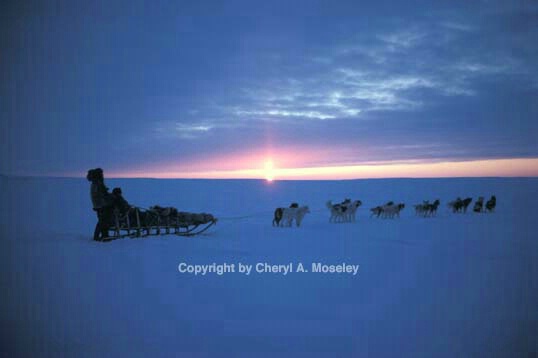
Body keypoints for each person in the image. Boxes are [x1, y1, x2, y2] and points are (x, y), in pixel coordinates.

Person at [86, 168, 113, 241]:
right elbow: (102, 194)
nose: (103, 175)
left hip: (98, 205)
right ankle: (104, 236)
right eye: (102, 174)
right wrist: (111, 197)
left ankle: (102, 236)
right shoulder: (98, 183)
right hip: (102, 205)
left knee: (102, 220)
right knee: (103, 221)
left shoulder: (95, 183)